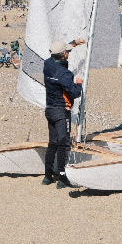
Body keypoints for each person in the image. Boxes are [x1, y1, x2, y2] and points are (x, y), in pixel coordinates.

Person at [43, 37, 86, 188]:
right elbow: (75, 93)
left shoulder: (47, 64)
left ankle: (47, 176)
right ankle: (62, 178)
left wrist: (73, 43)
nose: (68, 53)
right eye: (67, 52)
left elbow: (57, 54)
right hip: (62, 112)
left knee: (52, 143)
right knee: (62, 144)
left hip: (50, 110)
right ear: (63, 55)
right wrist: (79, 83)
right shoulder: (64, 74)